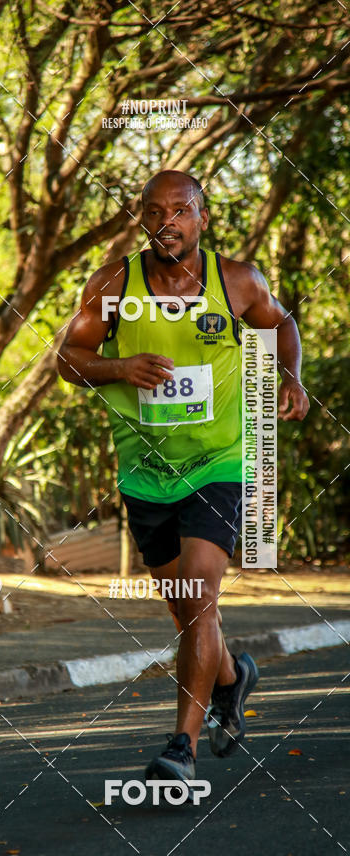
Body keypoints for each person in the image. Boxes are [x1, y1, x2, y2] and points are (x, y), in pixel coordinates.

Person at [58, 170, 309, 787]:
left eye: (180, 210)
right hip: (145, 473)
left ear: (202, 218)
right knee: (186, 610)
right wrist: (120, 366)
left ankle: (181, 749)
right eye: (154, 211)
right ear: (141, 218)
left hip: (219, 462)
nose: (166, 222)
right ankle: (233, 678)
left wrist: (291, 376)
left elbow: (280, 324)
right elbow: (68, 358)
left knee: (199, 596)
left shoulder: (238, 280)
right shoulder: (114, 284)